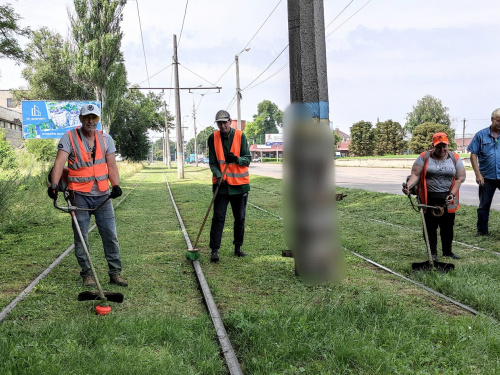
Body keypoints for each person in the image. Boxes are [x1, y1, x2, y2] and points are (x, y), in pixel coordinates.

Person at [47, 104, 127, 287]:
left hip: (102, 195)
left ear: (98, 119)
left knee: (110, 235)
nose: (90, 121)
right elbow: (59, 164)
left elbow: (112, 166)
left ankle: (115, 273)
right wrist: (53, 185)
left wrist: (115, 185)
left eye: (94, 118)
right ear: (81, 119)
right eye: (87, 118)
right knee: (81, 236)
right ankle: (87, 274)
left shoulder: (106, 139)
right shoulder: (69, 137)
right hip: (78, 195)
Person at [403, 132, 466, 260]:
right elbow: (415, 174)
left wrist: (452, 194)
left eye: (444, 146)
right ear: (433, 145)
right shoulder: (424, 157)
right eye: (438, 146)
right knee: (429, 227)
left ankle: (447, 251)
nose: (442, 149)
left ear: (448, 145)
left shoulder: (454, 158)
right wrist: (408, 187)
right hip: (429, 198)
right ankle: (433, 254)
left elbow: (460, 177)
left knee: (448, 226)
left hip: (448, 198)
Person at [207, 110, 251, 262]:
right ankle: (214, 250)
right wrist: (218, 176)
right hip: (222, 186)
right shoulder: (212, 138)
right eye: (220, 123)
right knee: (218, 217)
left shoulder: (240, 136)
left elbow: (248, 159)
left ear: (230, 121)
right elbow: (213, 163)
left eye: (225, 122)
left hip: (240, 186)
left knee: (240, 218)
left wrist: (237, 159)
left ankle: (238, 248)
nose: (223, 125)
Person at [467, 108, 500, 236]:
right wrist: (478, 173)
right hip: (486, 177)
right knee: (484, 205)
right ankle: (482, 231)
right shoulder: (481, 135)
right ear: (492, 120)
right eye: (498, 121)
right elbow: (473, 154)